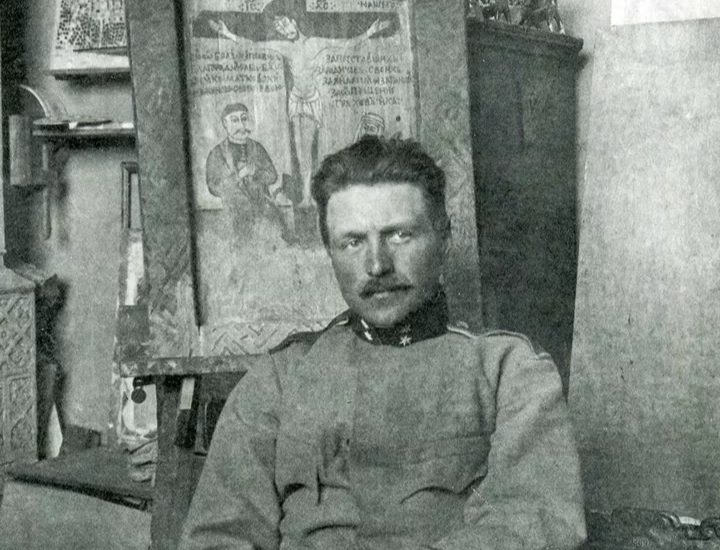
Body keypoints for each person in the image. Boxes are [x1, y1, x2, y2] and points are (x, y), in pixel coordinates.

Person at [180, 136, 586, 549]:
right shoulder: (280, 379)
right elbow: (218, 536)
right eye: (352, 242)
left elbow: (533, 521)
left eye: (399, 235)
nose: (376, 265)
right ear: (330, 252)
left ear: (444, 237)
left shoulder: (508, 370)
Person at [209, 16, 390, 209]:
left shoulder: (314, 43)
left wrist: (370, 32)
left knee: (314, 149)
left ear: (294, 22)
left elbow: (344, 44)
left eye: (285, 23)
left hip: (311, 100)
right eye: (280, 28)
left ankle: (315, 194)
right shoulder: (285, 47)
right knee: (301, 152)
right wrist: (226, 33)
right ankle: (305, 196)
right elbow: (255, 46)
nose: (284, 30)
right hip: (296, 101)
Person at [205, 102, 291, 240]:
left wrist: (255, 172)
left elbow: (272, 176)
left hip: (262, 208)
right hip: (234, 212)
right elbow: (213, 186)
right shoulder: (217, 153)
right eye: (235, 120)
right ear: (225, 124)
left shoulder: (257, 148)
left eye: (244, 119)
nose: (241, 125)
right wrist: (238, 177)